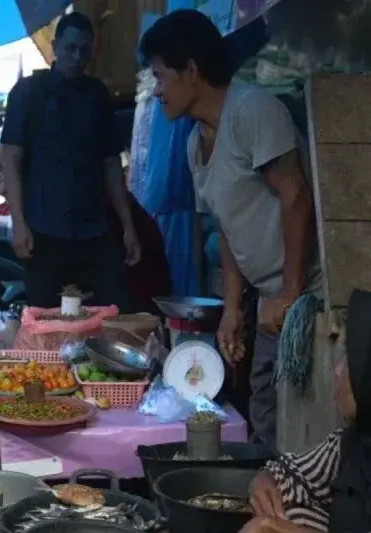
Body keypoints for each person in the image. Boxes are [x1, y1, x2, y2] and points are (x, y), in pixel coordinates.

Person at [140, 10, 321, 447]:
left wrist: (291, 293)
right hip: (270, 298)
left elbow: (296, 196)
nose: (158, 91)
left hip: (308, 293)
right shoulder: (193, 142)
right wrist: (234, 309)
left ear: (193, 71)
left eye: (162, 77)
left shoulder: (253, 110)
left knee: (296, 420)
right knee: (263, 410)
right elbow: (227, 225)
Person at [0, 12, 139, 311]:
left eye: (84, 51)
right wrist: (19, 224)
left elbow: (111, 164)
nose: (78, 57)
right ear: (54, 46)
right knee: (43, 318)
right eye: (70, 49)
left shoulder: (98, 96)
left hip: (93, 229)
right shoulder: (28, 93)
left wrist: (128, 226)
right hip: (43, 231)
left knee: (115, 310)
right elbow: (11, 158)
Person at [241, 288, 371, 533]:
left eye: (350, 361)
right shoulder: (350, 444)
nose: (337, 370)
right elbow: (289, 473)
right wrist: (263, 482)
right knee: (287, 509)